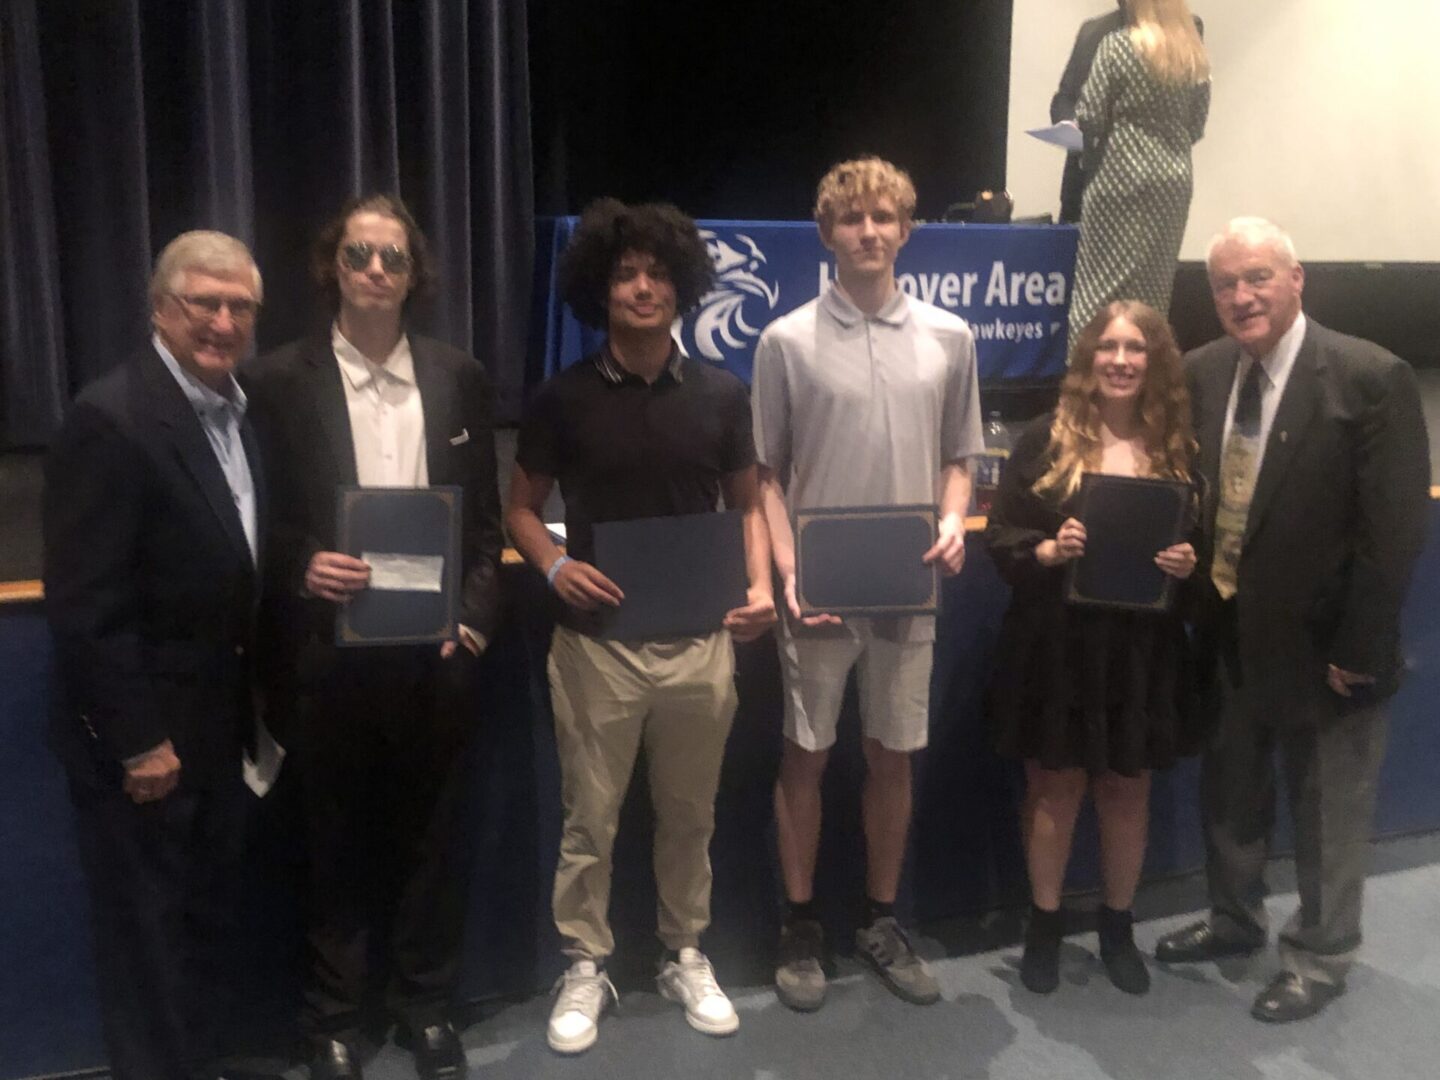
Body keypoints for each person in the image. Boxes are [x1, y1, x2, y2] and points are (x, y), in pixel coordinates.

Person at [242, 195, 503, 1080]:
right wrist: (303, 565)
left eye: (393, 257)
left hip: (435, 658)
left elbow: (485, 530)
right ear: (335, 268)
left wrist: (472, 623)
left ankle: (426, 1006)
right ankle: (333, 1023)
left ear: (413, 273)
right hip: (327, 656)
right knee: (333, 844)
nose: (378, 271)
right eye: (360, 254)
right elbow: (257, 522)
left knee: (434, 841)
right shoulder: (277, 380)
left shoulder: (458, 374)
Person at [506, 199, 776, 1054]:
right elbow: (518, 508)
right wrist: (551, 565)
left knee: (689, 814)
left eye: (659, 273)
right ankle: (585, 962)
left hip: (700, 643)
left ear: (683, 286)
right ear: (600, 288)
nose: (644, 287)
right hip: (595, 651)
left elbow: (748, 507)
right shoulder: (561, 398)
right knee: (592, 819)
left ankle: (683, 952)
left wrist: (762, 585)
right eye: (626, 273)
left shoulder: (723, 395)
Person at [1153, 218, 1430, 1022]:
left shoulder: (1369, 375)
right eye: (1225, 284)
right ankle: (1236, 919)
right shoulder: (1203, 372)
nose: (1241, 297)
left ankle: (1321, 953)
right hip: (1230, 632)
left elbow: (1394, 530)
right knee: (1231, 795)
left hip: (1328, 649)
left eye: (1258, 279)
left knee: (1327, 811)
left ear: (1297, 279)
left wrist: (1365, 647)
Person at [752, 157, 983, 1012]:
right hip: (817, 591)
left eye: (885, 217)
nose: (870, 232)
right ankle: (800, 926)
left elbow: (962, 459)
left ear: (907, 229)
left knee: (891, 756)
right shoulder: (785, 340)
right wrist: (786, 572)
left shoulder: (952, 337)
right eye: (853, 220)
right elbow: (765, 474)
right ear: (827, 235)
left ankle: (881, 921)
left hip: (908, 589)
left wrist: (955, 520)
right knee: (804, 757)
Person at [43, 231, 265, 1080]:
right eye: (201, 302)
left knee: (198, 934)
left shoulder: (242, 412)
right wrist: (138, 739)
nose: (220, 320)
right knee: (147, 955)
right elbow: (85, 605)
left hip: (216, 729)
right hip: (146, 748)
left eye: (238, 306)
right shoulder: (112, 418)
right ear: (159, 309)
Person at [985, 300, 1200, 996]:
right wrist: (1049, 547)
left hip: (1141, 649)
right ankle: (1044, 926)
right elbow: (1003, 540)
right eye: (1108, 346)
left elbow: (1206, 552)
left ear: (1155, 361)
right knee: (1056, 785)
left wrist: (1185, 566)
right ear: (1087, 359)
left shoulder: (1178, 448)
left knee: (1126, 788)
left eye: (1136, 347)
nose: (1120, 359)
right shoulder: (1045, 440)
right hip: (1059, 642)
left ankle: (1116, 925)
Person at [1066, 0, 1209, 349]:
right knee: (1154, 292)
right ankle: (1148, 372)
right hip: (1173, 180)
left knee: (1098, 290)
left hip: (1119, 176)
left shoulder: (1117, 45)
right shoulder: (1192, 55)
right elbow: (1197, 125)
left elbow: (1090, 118)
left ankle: (1089, 372)